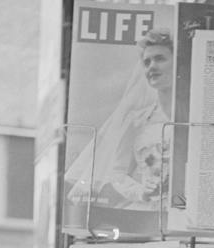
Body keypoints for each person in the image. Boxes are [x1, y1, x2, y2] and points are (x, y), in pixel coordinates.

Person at [66, 29, 175, 212]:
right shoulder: (137, 120)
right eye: (147, 62)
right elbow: (117, 173)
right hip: (149, 211)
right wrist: (141, 192)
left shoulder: (195, 115)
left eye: (160, 59)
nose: (151, 67)